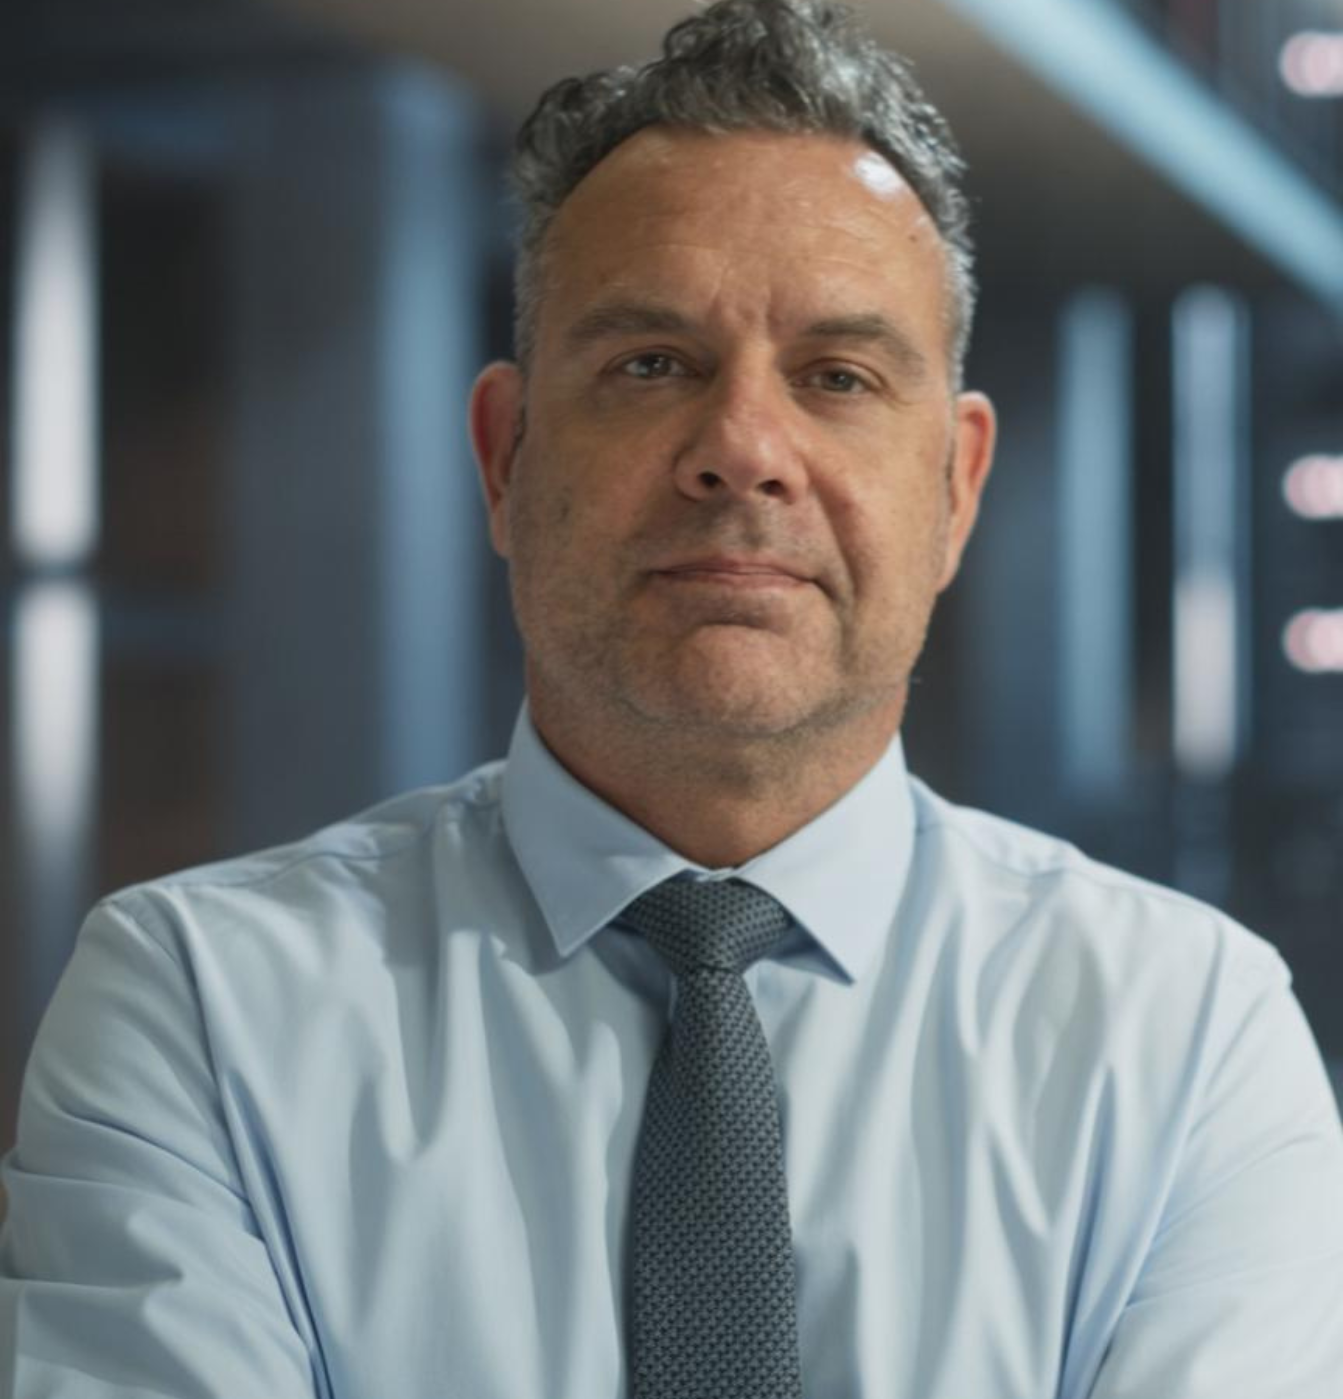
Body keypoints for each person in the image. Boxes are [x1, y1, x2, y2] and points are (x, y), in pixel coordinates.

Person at [3, 1, 1342, 1395]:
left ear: (954, 486)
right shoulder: (202, 1008)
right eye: (651, 364)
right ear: (504, 456)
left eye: (836, 375)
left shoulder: (1186, 1038)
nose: (742, 449)